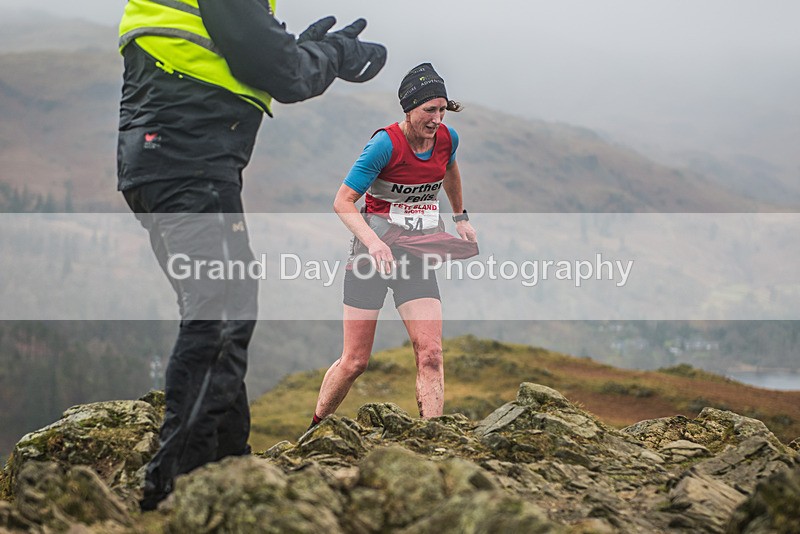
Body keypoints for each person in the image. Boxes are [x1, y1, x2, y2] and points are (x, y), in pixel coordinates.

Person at [116, 0, 386, 511]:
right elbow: (281, 72)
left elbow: (252, 48)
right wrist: (333, 54)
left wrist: (297, 47)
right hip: (188, 161)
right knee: (220, 316)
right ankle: (179, 487)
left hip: (161, 158)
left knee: (221, 310)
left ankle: (228, 462)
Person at [309, 63, 478, 429]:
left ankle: (432, 438)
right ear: (409, 109)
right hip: (371, 258)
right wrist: (373, 243)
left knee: (431, 354)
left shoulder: (447, 139)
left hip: (416, 257)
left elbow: (449, 168)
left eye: (442, 109)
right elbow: (342, 201)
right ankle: (316, 428)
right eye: (428, 111)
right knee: (355, 361)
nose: (436, 119)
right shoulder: (385, 144)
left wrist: (460, 217)